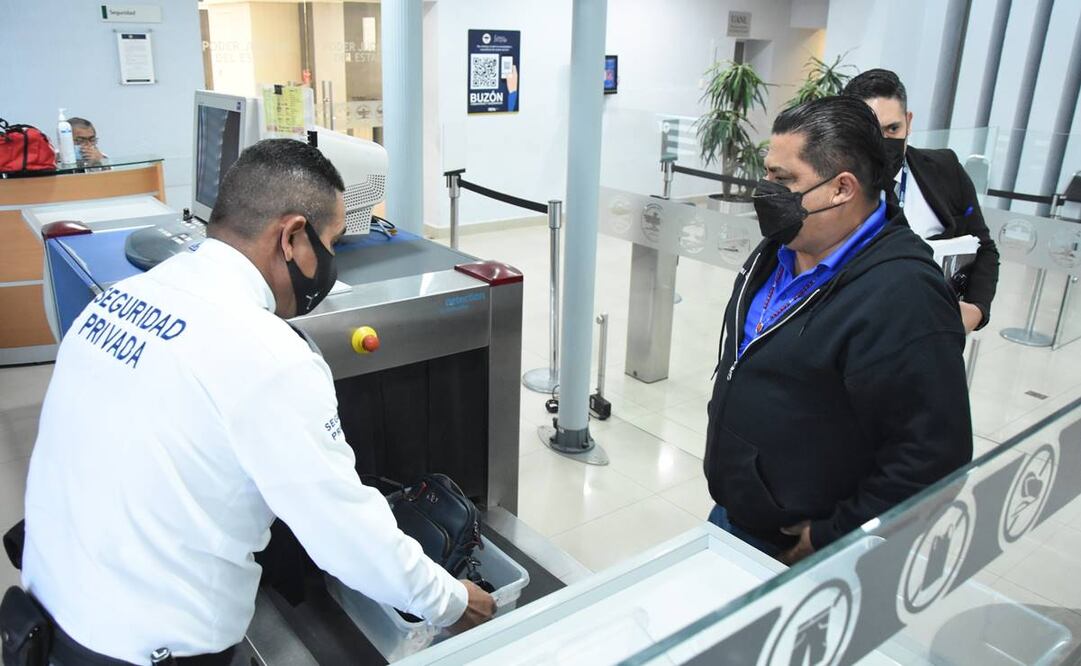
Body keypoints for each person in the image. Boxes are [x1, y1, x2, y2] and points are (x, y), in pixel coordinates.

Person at [17, 139, 494, 664]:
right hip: (145, 646)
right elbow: (347, 537)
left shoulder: (125, 298)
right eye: (330, 242)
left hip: (49, 612)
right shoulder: (268, 356)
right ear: (291, 237)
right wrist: (451, 601)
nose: (330, 262)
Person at [704, 96, 972, 565]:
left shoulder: (904, 295)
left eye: (783, 180)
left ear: (841, 188)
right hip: (739, 511)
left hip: (806, 550)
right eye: (767, 173)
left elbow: (933, 459)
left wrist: (832, 536)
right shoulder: (781, 248)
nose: (765, 191)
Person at [842, 69, 1000, 333]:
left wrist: (976, 310)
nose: (884, 141)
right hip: (858, 330)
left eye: (893, 129)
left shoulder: (945, 169)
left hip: (932, 328)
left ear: (909, 121)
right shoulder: (831, 185)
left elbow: (983, 247)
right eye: (871, 131)